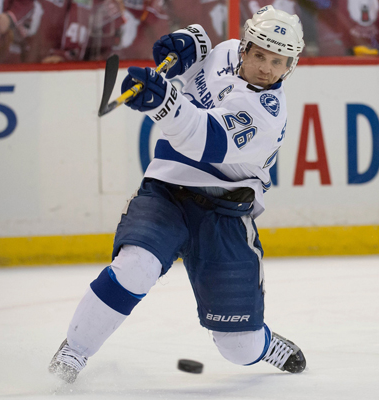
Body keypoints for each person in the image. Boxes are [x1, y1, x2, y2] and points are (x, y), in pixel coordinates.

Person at [48, 5, 307, 384]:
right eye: (260, 55)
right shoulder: (227, 52)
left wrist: (162, 101)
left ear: (290, 66)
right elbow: (201, 54)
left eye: (278, 62)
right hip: (168, 190)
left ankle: (263, 344)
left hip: (225, 215)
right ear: (246, 48)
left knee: (239, 348)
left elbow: (204, 138)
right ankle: (74, 350)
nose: (267, 68)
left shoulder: (267, 115)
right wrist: (188, 42)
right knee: (136, 265)